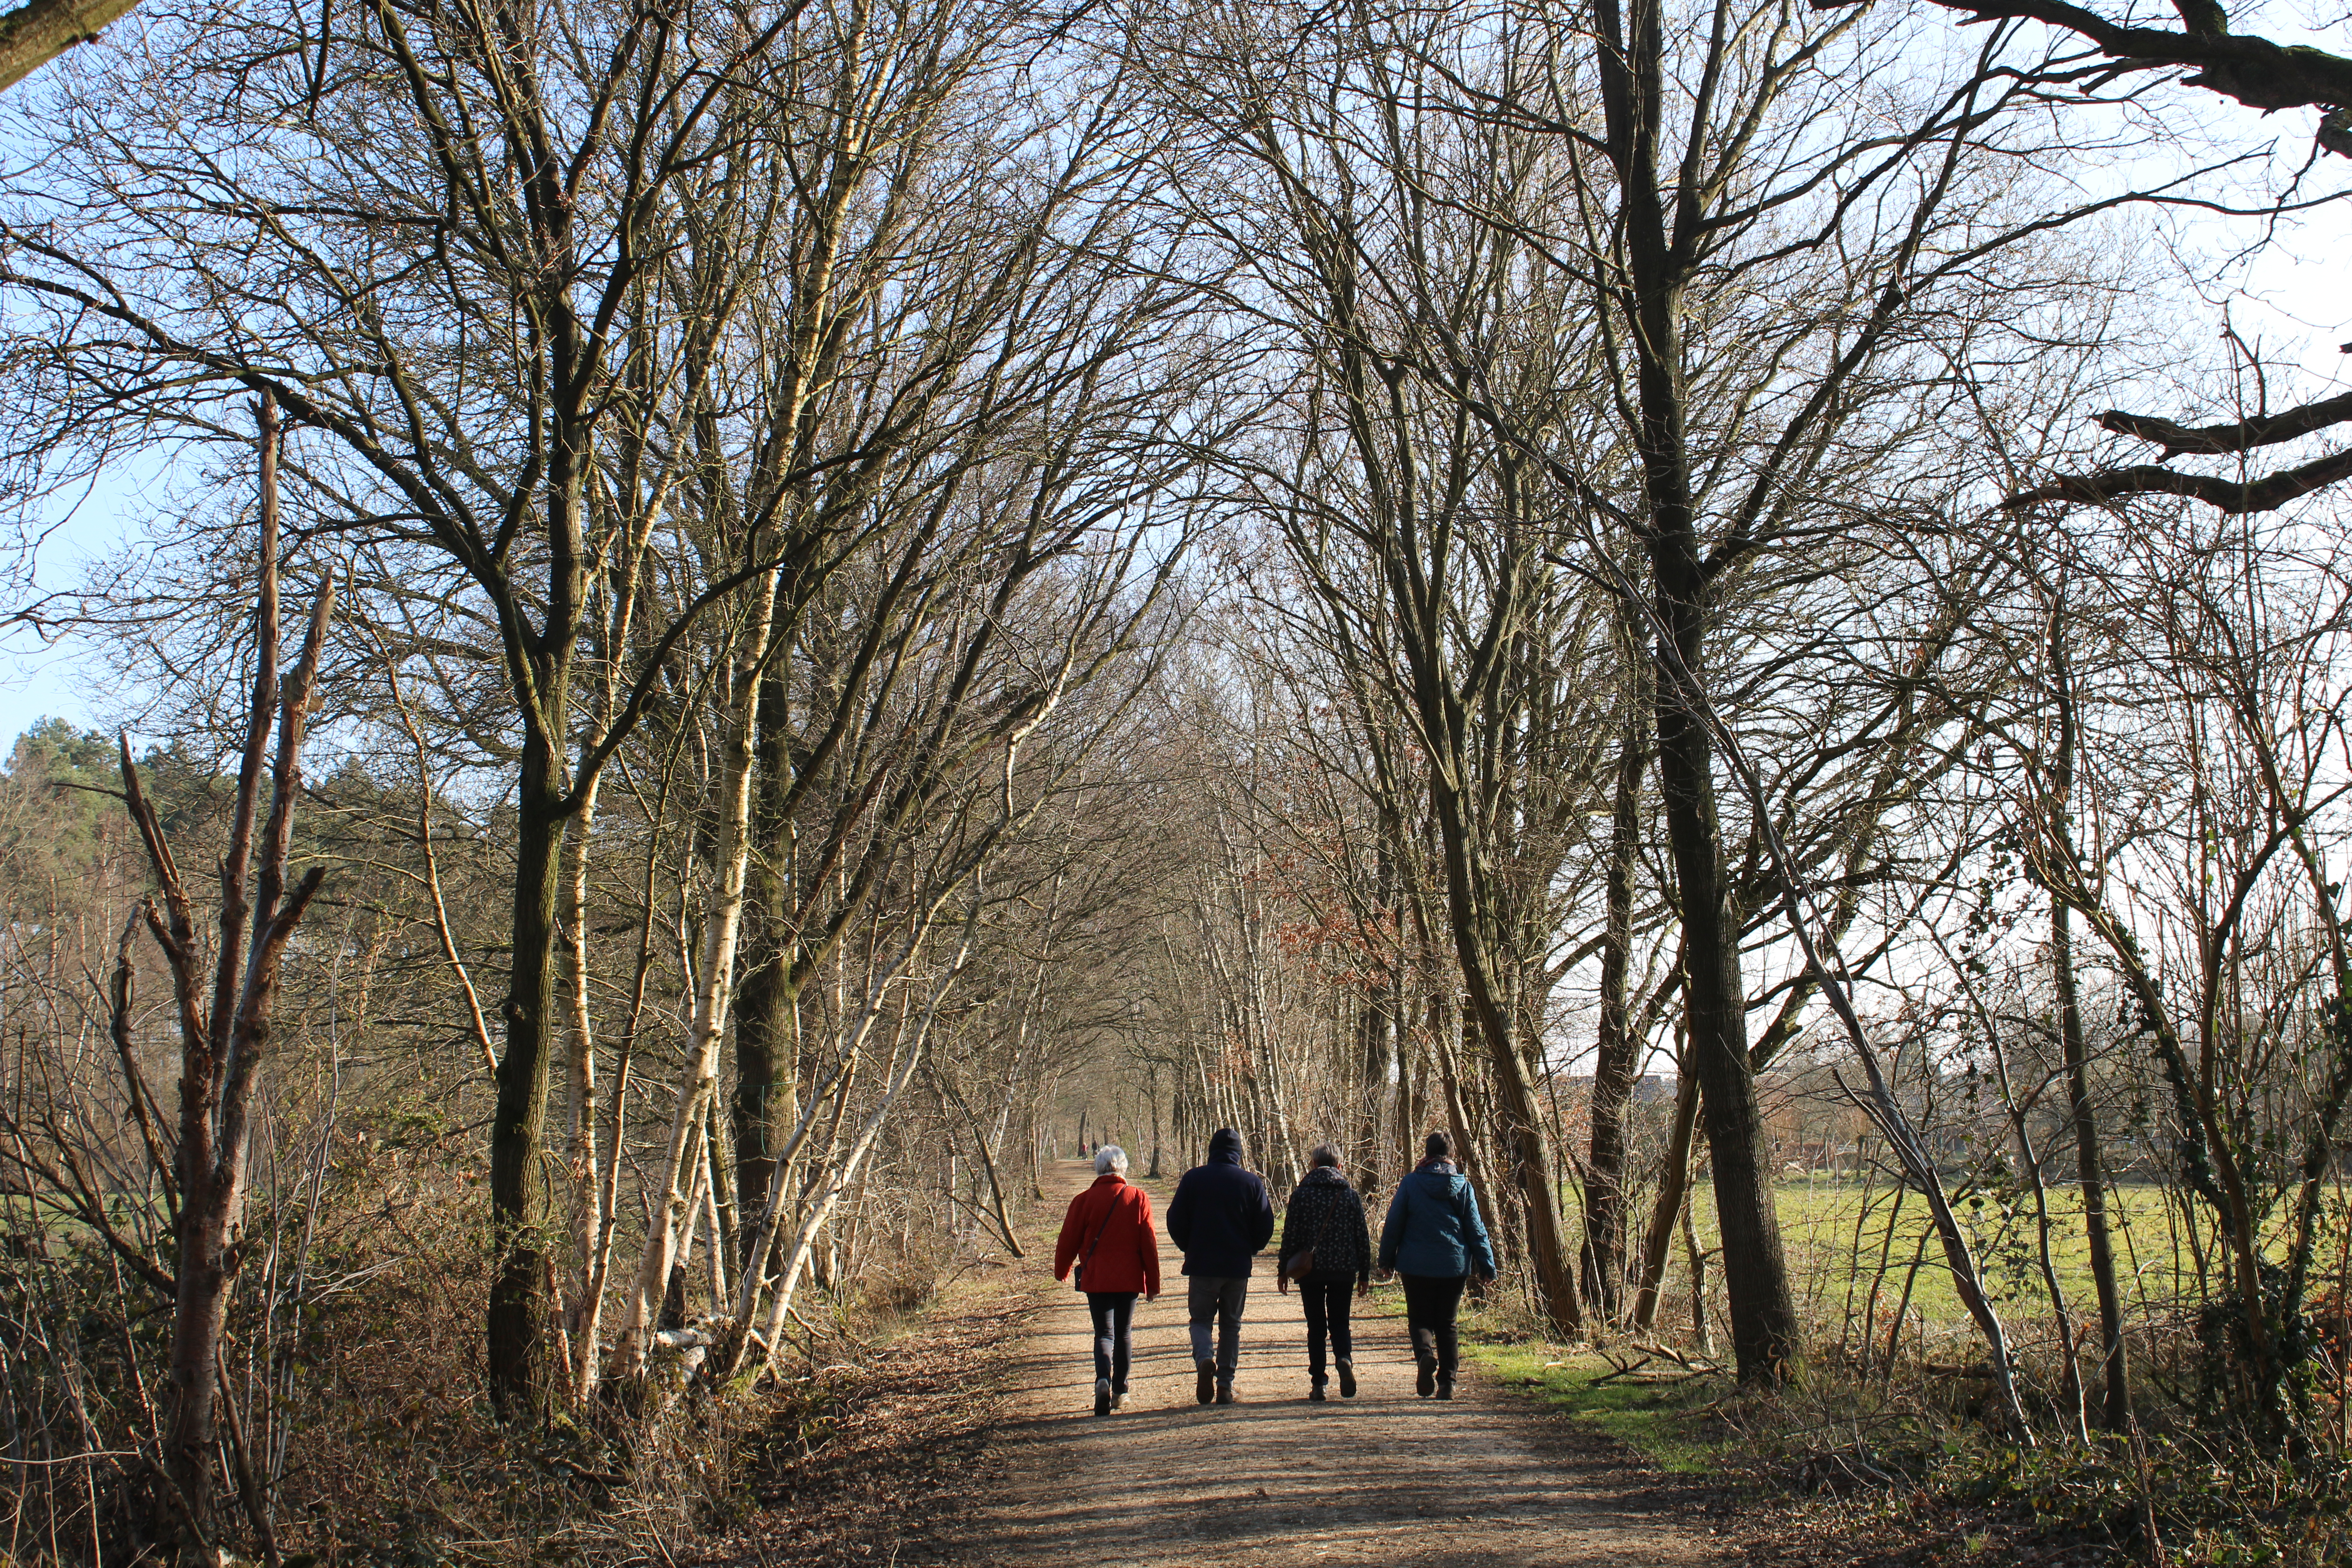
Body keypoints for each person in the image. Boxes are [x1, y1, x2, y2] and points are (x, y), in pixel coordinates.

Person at [1377, 1132, 1495, 1400]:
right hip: (1453, 1266)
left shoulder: (1411, 1183)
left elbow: (1394, 1224)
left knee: (1420, 1319)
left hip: (1415, 1264)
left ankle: (1425, 1357)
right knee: (1447, 1323)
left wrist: (1386, 1260)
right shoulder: (1463, 1186)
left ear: (1427, 1154)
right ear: (1451, 1154)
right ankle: (1448, 1383)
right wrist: (1486, 1266)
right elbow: (1476, 1230)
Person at [1164, 1126, 1275, 1406]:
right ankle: (1225, 1386)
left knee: (1200, 1321)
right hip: (1237, 1267)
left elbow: (1174, 1220)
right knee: (1231, 1326)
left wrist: (1188, 1247)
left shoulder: (1193, 1179)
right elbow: (1266, 1225)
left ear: (1211, 1152)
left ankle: (1204, 1359)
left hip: (1202, 1265)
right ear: (1238, 1155)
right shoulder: (1251, 1183)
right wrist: (1251, 1249)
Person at [1053, 1144, 1161, 1417]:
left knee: (1104, 1333)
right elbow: (1149, 1242)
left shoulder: (1083, 1200)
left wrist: (1062, 1270)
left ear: (1098, 1168)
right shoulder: (1138, 1198)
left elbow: (1067, 1240)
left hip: (1097, 1277)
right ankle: (1120, 1392)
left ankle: (1103, 1379)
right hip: (1130, 1278)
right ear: (1123, 1168)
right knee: (1123, 1333)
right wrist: (1153, 1282)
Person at [1275, 1142, 1372, 1402]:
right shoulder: (1350, 1195)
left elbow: (1290, 1235)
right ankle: (1344, 1359)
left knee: (1316, 1326)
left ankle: (1319, 1383)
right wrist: (1365, 1273)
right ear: (1340, 1166)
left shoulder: (1302, 1194)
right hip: (1344, 1269)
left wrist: (1283, 1270)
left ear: (1314, 1165)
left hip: (1310, 1271)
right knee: (1340, 1322)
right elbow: (1362, 1237)